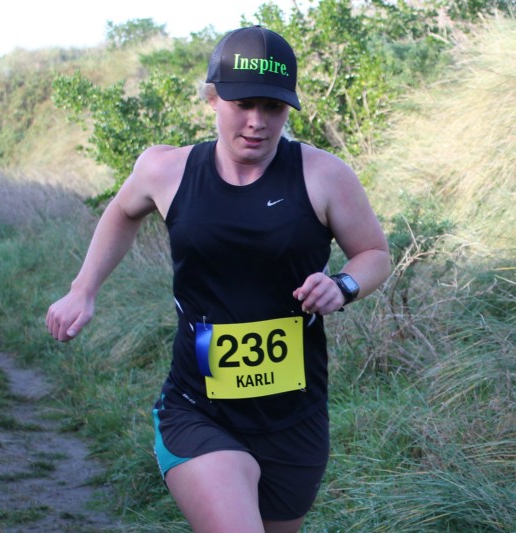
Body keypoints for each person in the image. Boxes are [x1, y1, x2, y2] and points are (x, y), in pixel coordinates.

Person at [46, 26, 391, 533]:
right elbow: (121, 211)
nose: (257, 122)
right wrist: (84, 289)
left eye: (273, 107)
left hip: (294, 417)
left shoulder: (323, 175)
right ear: (212, 98)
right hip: (197, 409)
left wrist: (342, 286)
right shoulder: (166, 169)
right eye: (243, 104)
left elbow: (374, 254)